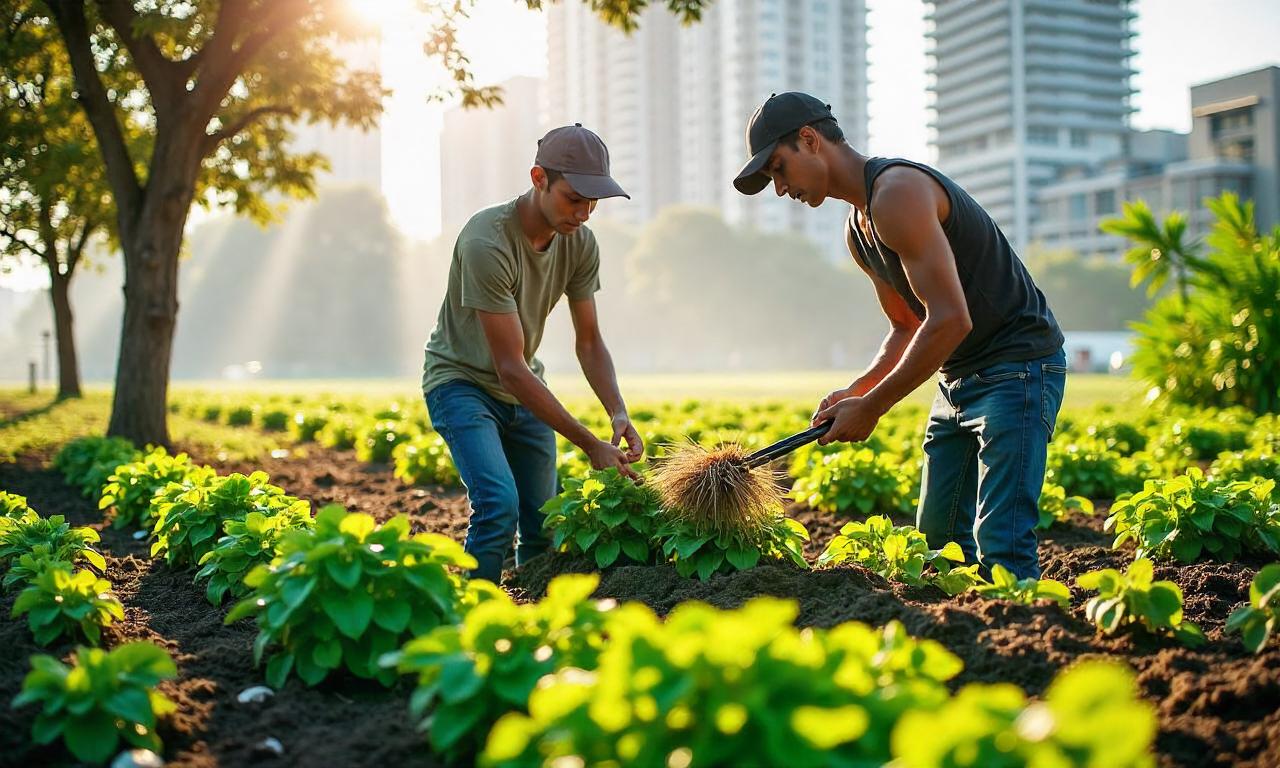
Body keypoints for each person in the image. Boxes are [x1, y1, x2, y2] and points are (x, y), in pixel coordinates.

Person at [733, 92, 1066, 579]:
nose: (781, 188)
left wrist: (873, 408)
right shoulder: (859, 227)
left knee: (1002, 544)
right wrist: (857, 390)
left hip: (1017, 369)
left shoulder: (898, 193)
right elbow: (906, 326)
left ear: (809, 140)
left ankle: (1031, 642)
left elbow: (951, 319)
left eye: (779, 169)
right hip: (958, 378)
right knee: (939, 545)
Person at [422, 124, 643, 583]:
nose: (584, 214)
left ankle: (533, 623)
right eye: (574, 198)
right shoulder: (487, 241)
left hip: (523, 385)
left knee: (544, 522)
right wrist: (588, 443)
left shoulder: (580, 242)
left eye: (593, 202)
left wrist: (617, 412)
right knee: (499, 505)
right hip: (462, 384)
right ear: (539, 178)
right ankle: (472, 613)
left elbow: (588, 340)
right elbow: (510, 370)